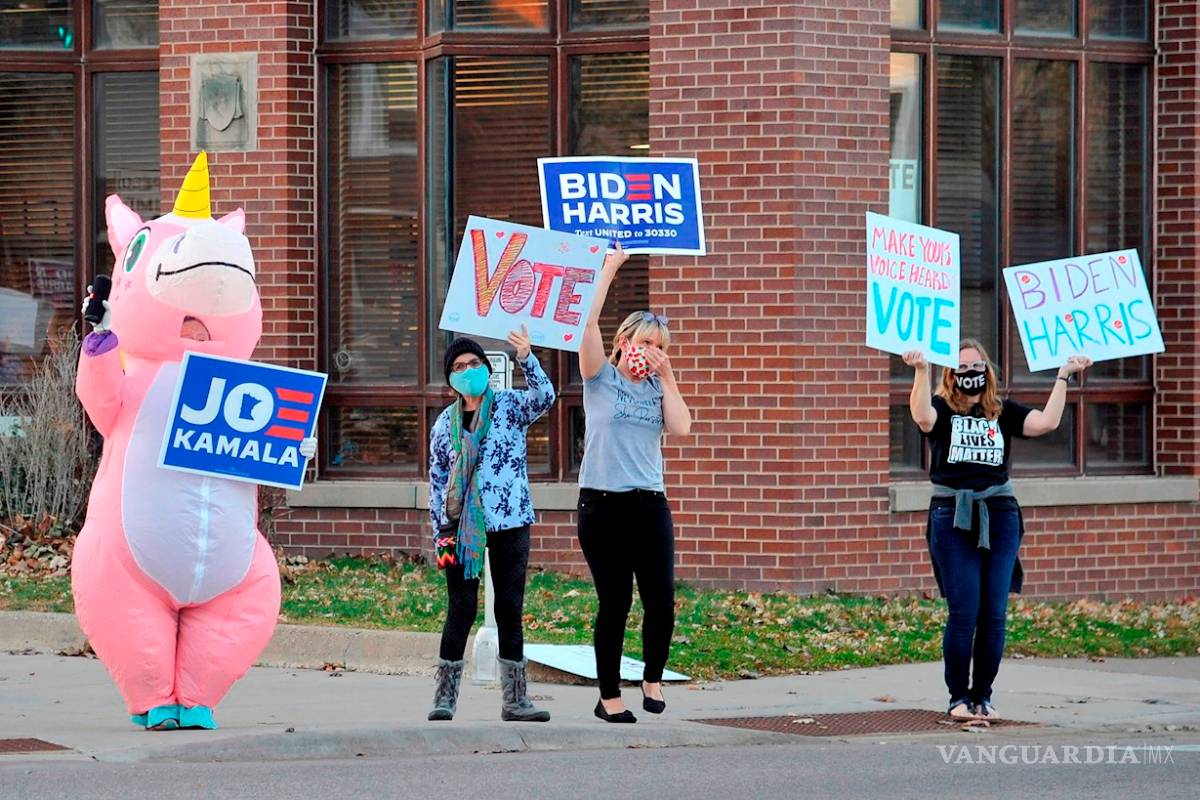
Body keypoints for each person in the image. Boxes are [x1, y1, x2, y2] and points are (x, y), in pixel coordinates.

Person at [904, 339, 1090, 720]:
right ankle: (958, 698)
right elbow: (922, 417)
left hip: (1000, 514)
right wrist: (920, 371)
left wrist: (1063, 376)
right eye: (962, 369)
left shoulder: (1000, 412)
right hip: (952, 514)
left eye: (976, 367)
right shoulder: (941, 408)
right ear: (950, 375)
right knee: (964, 610)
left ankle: (982, 697)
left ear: (986, 372)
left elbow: (1046, 422)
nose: (970, 374)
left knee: (993, 613)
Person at [577, 243, 693, 723]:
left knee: (661, 600)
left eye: (660, 347)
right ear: (625, 342)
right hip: (602, 507)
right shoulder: (599, 378)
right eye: (645, 343)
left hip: (649, 506)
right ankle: (609, 698)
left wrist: (668, 378)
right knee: (616, 602)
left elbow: (683, 427)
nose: (651, 353)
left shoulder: (656, 388)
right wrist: (609, 270)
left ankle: (652, 678)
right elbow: (586, 324)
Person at [426, 328, 555, 722]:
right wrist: (440, 534)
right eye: (459, 367)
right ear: (451, 379)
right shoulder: (443, 426)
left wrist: (527, 357)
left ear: (486, 368)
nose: (468, 371)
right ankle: (444, 699)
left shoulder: (510, 406)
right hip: (461, 530)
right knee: (461, 609)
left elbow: (546, 397)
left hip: (511, 520)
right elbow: (436, 482)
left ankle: (515, 701)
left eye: (474, 364)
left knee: (510, 608)